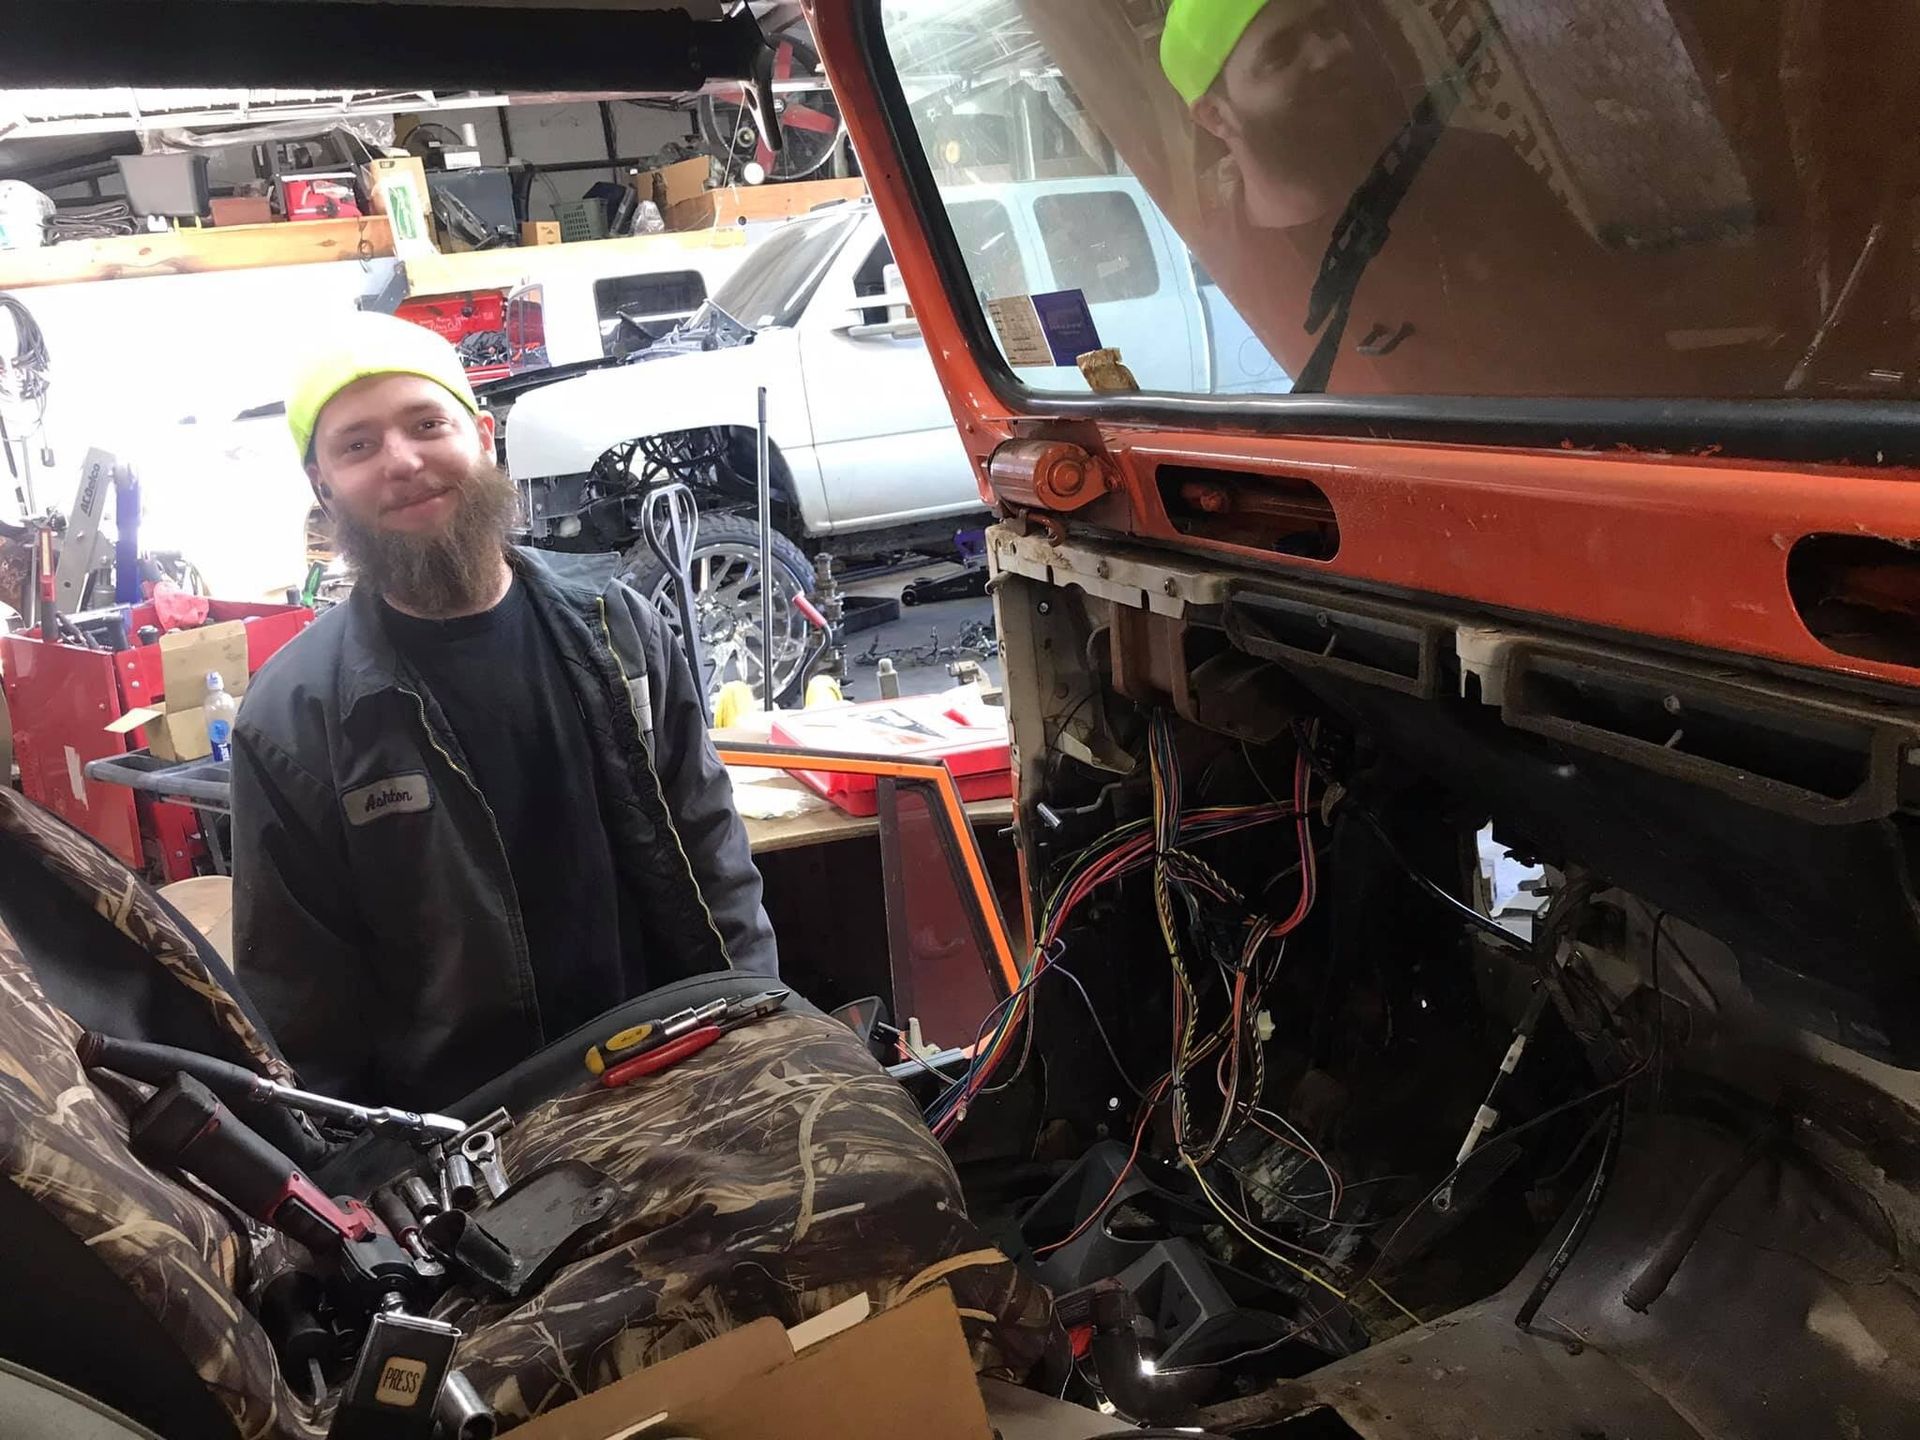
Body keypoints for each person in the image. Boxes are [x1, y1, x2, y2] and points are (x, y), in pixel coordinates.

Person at [232, 312, 778, 1108]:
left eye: (428, 424)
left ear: (483, 437)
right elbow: (299, 1003)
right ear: (322, 486)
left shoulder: (618, 626)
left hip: (676, 1070)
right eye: (358, 445)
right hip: (475, 1133)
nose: (404, 461)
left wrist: (762, 1028)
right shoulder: (292, 719)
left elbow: (714, 855)